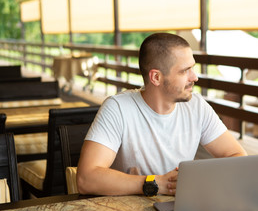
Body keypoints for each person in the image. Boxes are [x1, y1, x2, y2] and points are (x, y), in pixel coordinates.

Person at [77, 33, 247, 197]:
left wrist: (200, 178)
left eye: (192, 68)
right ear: (156, 77)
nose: (194, 77)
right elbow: (86, 179)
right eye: (184, 71)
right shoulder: (118, 108)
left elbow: (238, 157)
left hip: (178, 208)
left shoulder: (197, 106)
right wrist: (156, 183)